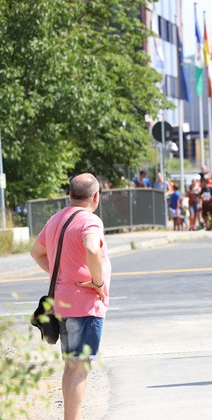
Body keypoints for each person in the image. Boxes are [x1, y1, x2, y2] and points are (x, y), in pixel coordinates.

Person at [30, 173, 110, 420]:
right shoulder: (90, 221)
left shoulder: (56, 219)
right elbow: (92, 249)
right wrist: (98, 282)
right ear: (95, 197)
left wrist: (61, 273)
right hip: (84, 305)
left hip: (62, 303)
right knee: (78, 368)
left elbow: (36, 252)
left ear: (70, 194)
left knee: (71, 366)